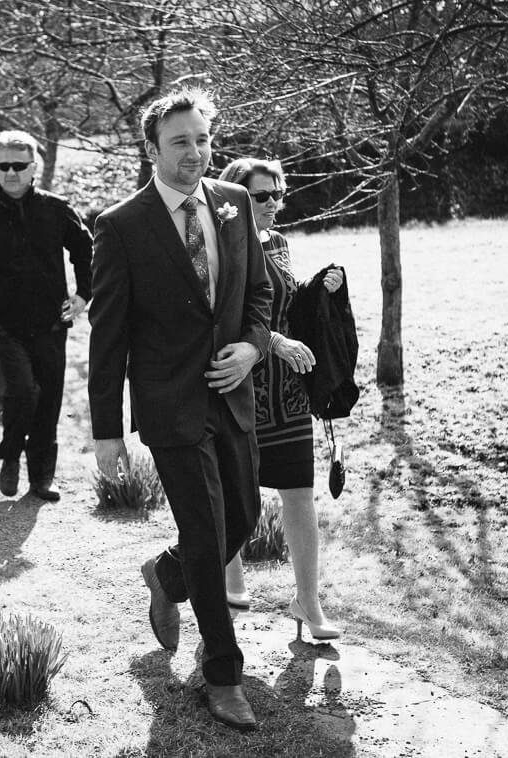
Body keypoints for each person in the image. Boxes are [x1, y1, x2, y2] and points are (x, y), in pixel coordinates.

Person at [88, 88, 272, 732]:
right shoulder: (120, 225)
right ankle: (223, 675)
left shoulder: (236, 202)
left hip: (233, 394)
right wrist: (106, 433)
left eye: (202, 139)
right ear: (151, 149)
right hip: (170, 405)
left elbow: (258, 294)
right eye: (179, 142)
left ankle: (167, 576)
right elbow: (106, 336)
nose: (195, 153)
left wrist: (251, 349)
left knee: (243, 516)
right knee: (205, 529)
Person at [217, 158, 344, 640]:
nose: (270, 204)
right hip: (240, 389)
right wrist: (274, 343)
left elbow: (288, 305)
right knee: (234, 491)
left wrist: (320, 288)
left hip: (288, 396)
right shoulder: (224, 246)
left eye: (276, 195)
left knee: (299, 497)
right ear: (236, 198)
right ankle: (230, 580)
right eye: (258, 196)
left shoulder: (280, 242)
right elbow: (228, 315)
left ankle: (307, 602)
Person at [0, 130, 92, 502]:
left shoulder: (56, 207)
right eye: (3, 166)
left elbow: (85, 248)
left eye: (19, 166)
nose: (11, 173)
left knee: (48, 400)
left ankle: (41, 478)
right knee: (20, 392)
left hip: (51, 321)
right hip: (3, 324)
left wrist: (83, 295)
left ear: (35, 167)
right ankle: (10, 455)